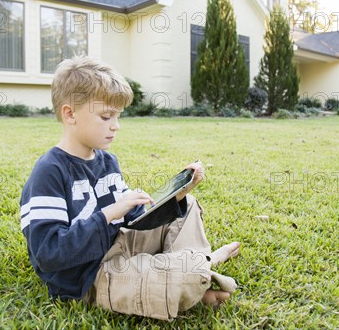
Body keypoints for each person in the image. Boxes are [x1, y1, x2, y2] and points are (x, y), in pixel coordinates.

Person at [20, 56, 241, 321]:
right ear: (70, 114)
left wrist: (177, 195)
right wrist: (109, 213)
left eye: (117, 116)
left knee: (188, 206)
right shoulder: (49, 171)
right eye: (105, 116)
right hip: (90, 275)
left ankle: (188, 272)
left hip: (122, 245)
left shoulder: (107, 161)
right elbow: (48, 254)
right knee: (190, 273)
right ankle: (203, 268)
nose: (115, 125)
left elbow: (134, 221)